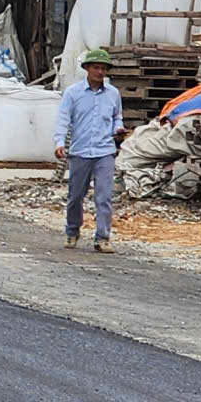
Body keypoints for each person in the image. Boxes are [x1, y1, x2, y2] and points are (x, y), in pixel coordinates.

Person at [54, 46, 128, 252]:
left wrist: (118, 129)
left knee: (104, 196)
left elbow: (117, 116)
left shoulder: (113, 94)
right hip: (80, 152)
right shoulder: (73, 93)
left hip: (105, 151)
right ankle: (72, 231)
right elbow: (63, 120)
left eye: (104, 68)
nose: (100, 72)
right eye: (96, 67)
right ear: (87, 68)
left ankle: (102, 238)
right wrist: (59, 142)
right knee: (75, 196)